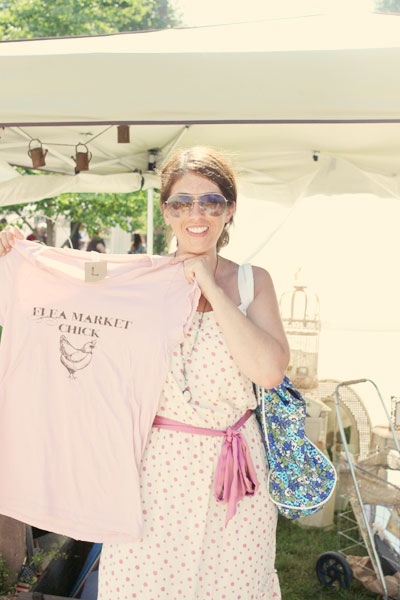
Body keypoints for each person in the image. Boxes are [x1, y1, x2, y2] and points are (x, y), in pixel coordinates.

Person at [0, 146, 289, 600]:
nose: (196, 214)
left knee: (232, 584)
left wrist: (210, 285)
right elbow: (70, 282)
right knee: (145, 584)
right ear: (167, 211)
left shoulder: (254, 281)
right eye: (182, 202)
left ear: (230, 210)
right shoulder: (138, 279)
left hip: (236, 472)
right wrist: (19, 255)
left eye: (211, 202)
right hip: (155, 470)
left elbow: (268, 371)